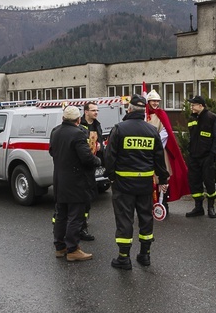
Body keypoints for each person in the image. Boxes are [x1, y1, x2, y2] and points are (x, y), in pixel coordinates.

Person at [105, 94, 170, 270]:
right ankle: (145, 255)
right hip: (145, 185)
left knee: (124, 219)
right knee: (146, 218)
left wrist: (110, 176)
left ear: (130, 109)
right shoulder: (152, 131)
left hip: (123, 184)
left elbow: (109, 157)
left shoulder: (119, 129)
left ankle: (123, 258)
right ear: (144, 111)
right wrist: (163, 179)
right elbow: (159, 160)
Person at [49, 106, 102, 262]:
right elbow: (86, 157)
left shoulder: (55, 131)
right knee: (75, 216)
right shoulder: (78, 134)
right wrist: (97, 161)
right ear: (79, 120)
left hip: (59, 179)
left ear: (63, 118)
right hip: (75, 181)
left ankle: (60, 247)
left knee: (61, 215)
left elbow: (52, 152)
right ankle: (73, 249)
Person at [145, 90, 190, 211]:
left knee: (161, 177)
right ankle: (149, 203)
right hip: (145, 152)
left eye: (157, 101)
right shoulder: (144, 114)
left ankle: (162, 203)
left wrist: (154, 145)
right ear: (148, 101)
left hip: (159, 150)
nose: (155, 103)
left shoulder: (161, 114)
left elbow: (166, 132)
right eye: (153, 101)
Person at [185, 95, 216, 218]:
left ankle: (211, 207)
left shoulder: (211, 118)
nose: (191, 107)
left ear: (201, 106)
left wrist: (212, 155)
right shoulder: (191, 118)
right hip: (194, 156)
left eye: (193, 105)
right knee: (194, 182)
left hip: (207, 157)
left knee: (209, 182)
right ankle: (198, 207)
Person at [77, 101, 104, 241]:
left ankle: (84, 221)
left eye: (97, 110)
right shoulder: (79, 125)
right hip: (80, 166)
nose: (96, 113)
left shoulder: (97, 125)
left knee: (89, 195)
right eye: (93, 110)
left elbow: (102, 142)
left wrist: (101, 149)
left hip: (91, 164)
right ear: (86, 111)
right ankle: (81, 227)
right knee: (82, 196)